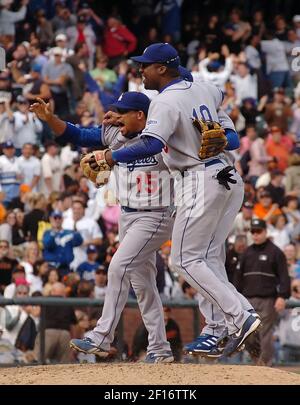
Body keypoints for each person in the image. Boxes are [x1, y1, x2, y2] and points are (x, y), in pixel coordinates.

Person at [85, 42, 261, 358]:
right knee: (208, 258)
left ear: (162, 68)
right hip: (228, 178)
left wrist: (111, 156)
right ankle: (220, 327)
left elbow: (151, 143)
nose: (141, 71)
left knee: (185, 259)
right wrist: (227, 137)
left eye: (146, 66)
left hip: (198, 179)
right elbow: (225, 117)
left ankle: (240, 315)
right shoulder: (204, 87)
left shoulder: (165, 102)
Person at [235, 218, 290, 366]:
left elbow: (284, 277)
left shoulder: (275, 252)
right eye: (253, 231)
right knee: (249, 335)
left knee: (265, 333)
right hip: (247, 300)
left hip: (268, 300)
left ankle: (265, 365)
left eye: (258, 231)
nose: (255, 235)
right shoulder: (246, 253)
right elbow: (238, 278)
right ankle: (257, 362)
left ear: (266, 231)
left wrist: (282, 297)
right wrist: (236, 298)